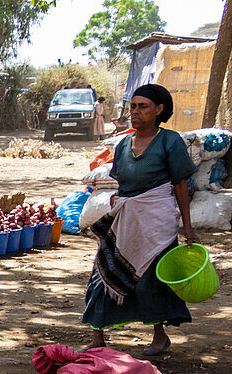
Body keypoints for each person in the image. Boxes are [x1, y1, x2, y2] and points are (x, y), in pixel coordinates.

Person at [83, 84, 197, 357]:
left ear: (159, 110)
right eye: (133, 106)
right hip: (127, 219)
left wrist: (188, 228)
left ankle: (160, 336)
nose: (136, 112)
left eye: (143, 107)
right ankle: (98, 336)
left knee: (151, 279)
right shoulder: (123, 145)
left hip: (158, 221)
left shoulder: (170, 141)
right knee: (105, 270)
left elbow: (180, 185)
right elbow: (122, 182)